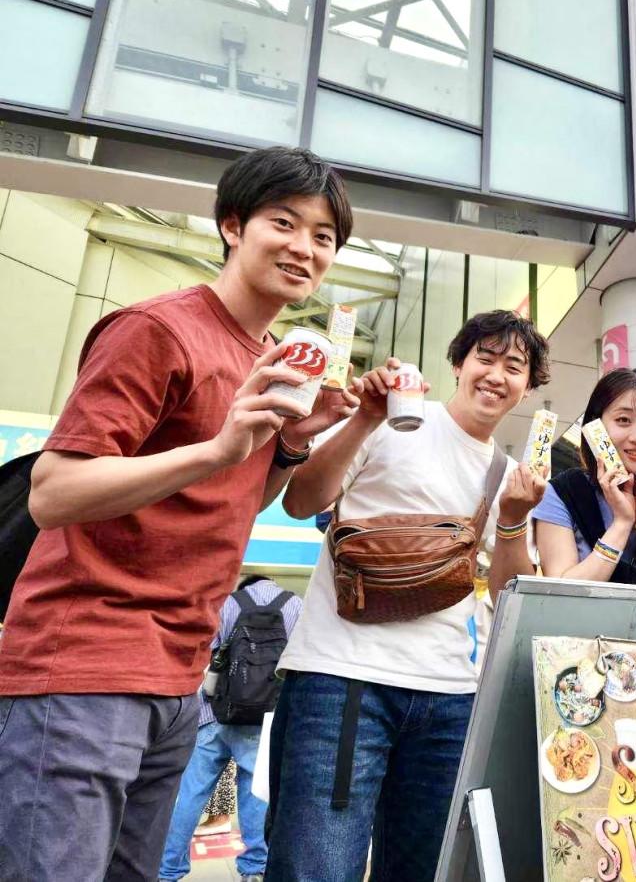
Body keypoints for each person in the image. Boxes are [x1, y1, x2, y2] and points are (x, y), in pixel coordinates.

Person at [0, 147, 356, 881]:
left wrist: (290, 444)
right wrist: (219, 447)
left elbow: (233, 499)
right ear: (232, 225)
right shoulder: (158, 330)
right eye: (284, 223)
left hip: (181, 678)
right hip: (85, 663)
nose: (304, 247)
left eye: (323, 236)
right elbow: (53, 492)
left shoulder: (274, 359)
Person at [265, 311, 550, 882]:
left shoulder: (509, 474)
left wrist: (514, 519)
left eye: (514, 367)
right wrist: (365, 418)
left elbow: (508, 595)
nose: (496, 375)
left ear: (527, 387)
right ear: (458, 364)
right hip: (342, 677)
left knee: (423, 871)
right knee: (318, 868)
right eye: (485, 358)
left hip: (450, 695)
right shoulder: (392, 418)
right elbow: (300, 502)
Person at [158, 574, 303, 882]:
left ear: (245, 586)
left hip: (213, 713)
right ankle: (254, 869)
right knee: (255, 796)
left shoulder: (226, 603)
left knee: (191, 794)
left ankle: (167, 871)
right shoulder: (295, 605)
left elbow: (203, 654)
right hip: (263, 717)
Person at [533, 368, 636, 582]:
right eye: (623, 419)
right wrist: (622, 523)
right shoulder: (563, 493)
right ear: (596, 425)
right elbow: (562, 591)